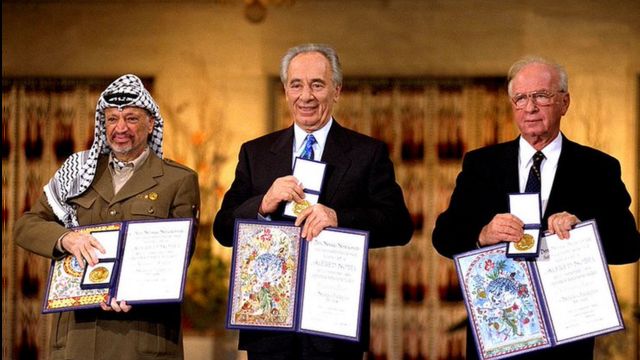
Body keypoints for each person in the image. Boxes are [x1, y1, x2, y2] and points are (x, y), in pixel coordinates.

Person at [213, 43, 413, 359]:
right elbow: (223, 229)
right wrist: (263, 204)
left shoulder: (366, 153)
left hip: (334, 325)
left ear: (336, 91)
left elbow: (399, 226)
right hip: (269, 326)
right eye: (296, 85)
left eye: (317, 85)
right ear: (285, 90)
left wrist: (339, 218)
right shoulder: (256, 153)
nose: (306, 96)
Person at [432, 56, 640, 359]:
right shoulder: (481, 164)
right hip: (498, 332)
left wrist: (583, 229)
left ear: (564, 102)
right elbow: (444, 236)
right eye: (520, 98)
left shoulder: (598, 168)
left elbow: (629, 246)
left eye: (541, 96)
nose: (530, 108)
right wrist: (483, 234)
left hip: (567, 337)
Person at [14, 74, 200, 360]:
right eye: (112, 119)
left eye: (131, 118)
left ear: (151, 124)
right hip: (79, 336)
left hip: (142, 336)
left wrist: (135, 291)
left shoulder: (178, 180)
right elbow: (26, 225)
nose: (120, 128)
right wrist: (66, 238)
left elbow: (179, 257)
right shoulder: (77, 171)